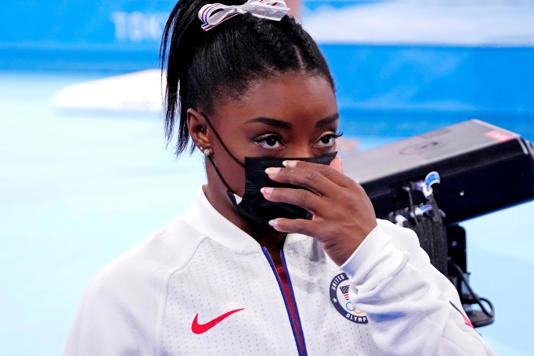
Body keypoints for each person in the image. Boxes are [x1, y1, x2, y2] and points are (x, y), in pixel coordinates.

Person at [64, 0, 495, 354]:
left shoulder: (392, 255)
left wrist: (373, 262)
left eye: (325, 138)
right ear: (201, 131)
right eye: (270, 140)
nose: (303, 164)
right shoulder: (136, 293)